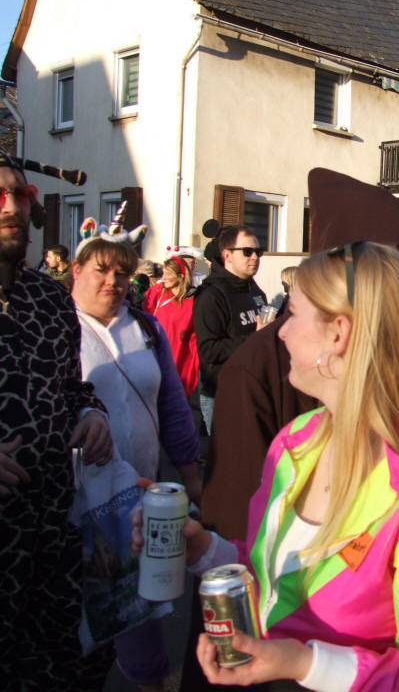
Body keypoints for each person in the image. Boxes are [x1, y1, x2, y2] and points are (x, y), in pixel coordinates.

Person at [136, 242, 399, 690]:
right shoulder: (296, 441)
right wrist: (207, 553)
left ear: (338, 334)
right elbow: (282, 578)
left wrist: (305, 663)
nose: (281, 332)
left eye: (292, 314)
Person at [0, 150, 115, 690]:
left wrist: (91, 413)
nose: (10, 208)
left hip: (53, 533)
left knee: (60, 667)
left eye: (19, 196)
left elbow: (72, 388)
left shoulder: (49, 301)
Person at [71, 230, 201, 691]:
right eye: (101, 269)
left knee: (141, 611)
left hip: (140, 498)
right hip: (73, 501)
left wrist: (190, 474)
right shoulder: (58, 327)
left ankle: (149, 683)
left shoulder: (146, 328)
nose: (114, 280)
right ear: (76, 270)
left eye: (123, 272)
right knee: (73, 617)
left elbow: (173, 404)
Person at [193, 225, 267, 432]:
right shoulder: (211, 295)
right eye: (247, 251)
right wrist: (255, 339)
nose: (255, 257)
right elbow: (208, 351)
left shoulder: (254, 289)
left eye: (258, 252)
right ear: (227, 255)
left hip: (253, 390)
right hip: (222, 394)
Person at [151, 256, 200, 397]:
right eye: (163, 273)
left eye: (168, 274)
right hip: (159, 353)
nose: (164, 277)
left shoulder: (193, 300)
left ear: (180, 276)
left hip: (181, 356)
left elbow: (194, 336)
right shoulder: (158, 294)